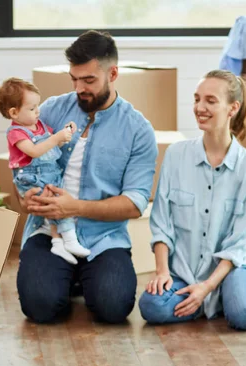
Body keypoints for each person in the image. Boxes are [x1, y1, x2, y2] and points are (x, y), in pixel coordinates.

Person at [15, 30, 158, 324]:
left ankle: (79, 278)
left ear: (113, 73)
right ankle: (64, 277)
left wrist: (75, 208)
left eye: (89, 80)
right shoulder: (52, 110)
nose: (80, 88)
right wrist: (24, 196)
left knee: (113, 309)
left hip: (104, 237)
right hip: (48, 232)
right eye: (74, 79)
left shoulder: (138, 129)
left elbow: (135, 203)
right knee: (40, 308)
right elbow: (22, 161)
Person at [138, 70, 246, 330]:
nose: (200, 107)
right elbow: (161, 224)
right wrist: (162, 271)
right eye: (197, 99)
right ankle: (214, 303)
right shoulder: (176, 156)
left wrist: (207, 287)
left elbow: (240, 242)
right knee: (151, 305)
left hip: (231, 269)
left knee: (245, 316)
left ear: (233, 108)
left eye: (210, 100)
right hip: (183, 270)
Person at [0, 77, 90, 265]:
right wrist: (56, 138)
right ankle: (69, 239)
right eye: (32, 108)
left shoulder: (39, 126)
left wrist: (66, 134)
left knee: (56, 203)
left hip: (50, 173)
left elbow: (55, 145)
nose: (39, 111)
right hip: (31, 177)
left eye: (37, 105)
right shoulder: (16, 132)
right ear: (13, 112)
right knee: (53, 203)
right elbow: (35, 151)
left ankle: (58, 241)